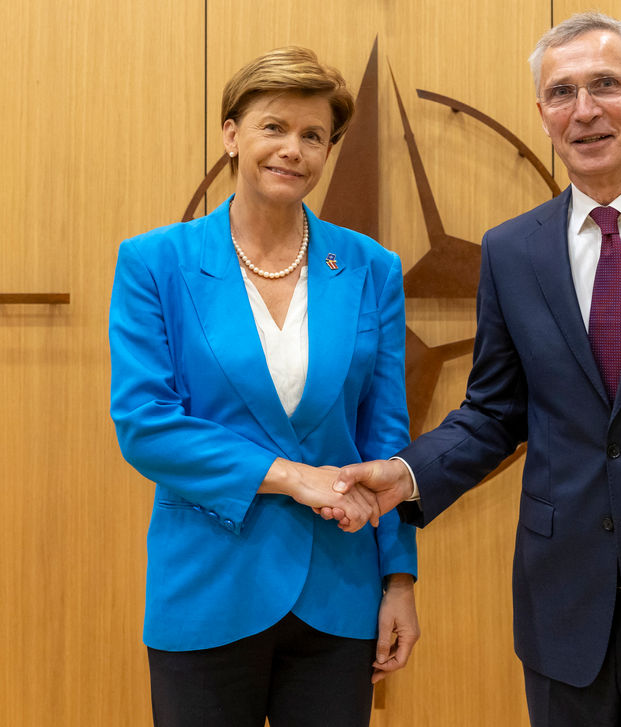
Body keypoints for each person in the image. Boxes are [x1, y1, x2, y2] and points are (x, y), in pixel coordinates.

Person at [329, 12, 621, 726]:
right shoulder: (512, 251)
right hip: (562, 614)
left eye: (605, 85)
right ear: (543, 113)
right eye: (562, 93)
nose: (584, 111)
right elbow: (494, 413)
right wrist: (406, 474)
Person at [108, 46, 418, 727]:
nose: (293, 150)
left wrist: (398, 579)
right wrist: (293, 477)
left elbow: (386, 436)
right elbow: (146, 423)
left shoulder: (370, 267)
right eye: (273, 127)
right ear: (231, 135)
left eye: (314, 136)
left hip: (340, 593)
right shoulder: (155, 262)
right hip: (207, 588)